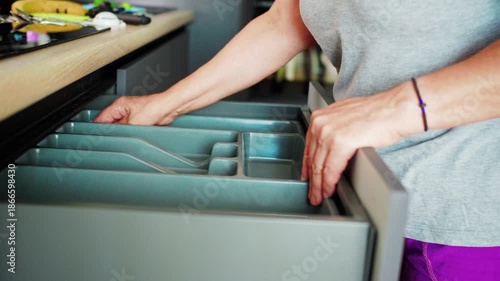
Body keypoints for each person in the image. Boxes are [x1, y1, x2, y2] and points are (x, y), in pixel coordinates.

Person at [95, 1, 500, 280]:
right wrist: (166, 105)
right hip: (360, 188)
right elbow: (288, 20)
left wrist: (393, 109)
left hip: (455, 223)